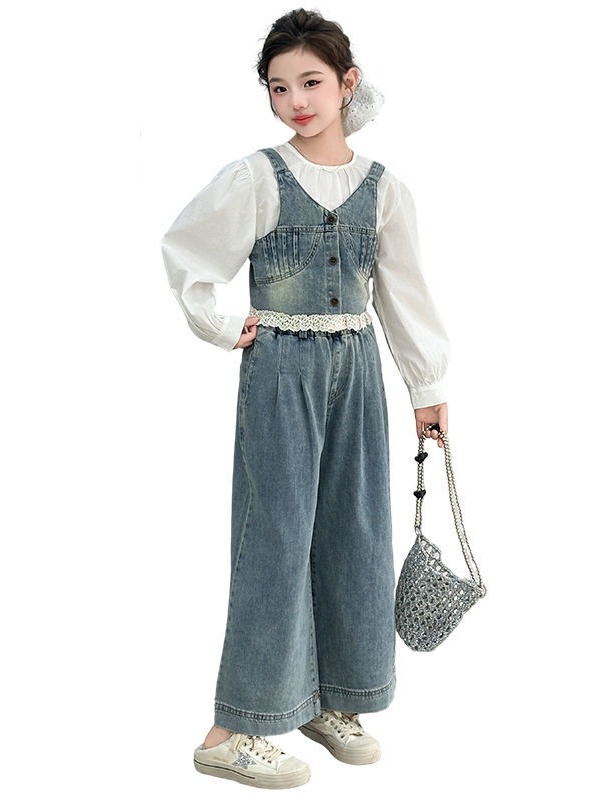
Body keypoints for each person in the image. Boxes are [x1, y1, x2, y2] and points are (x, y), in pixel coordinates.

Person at [160, 8, 450, 790]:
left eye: (311, 82)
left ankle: (330, 697)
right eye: (279, 86)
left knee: (355, 531)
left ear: (347, 83)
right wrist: (224, 327)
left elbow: (404, 294)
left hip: (356, 367)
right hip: (281, 367)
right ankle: (232, 729)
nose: (295, 101)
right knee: (277, 537)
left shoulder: (384, 189)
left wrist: (427, 386)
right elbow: (187, 253)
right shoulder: (257, 178)